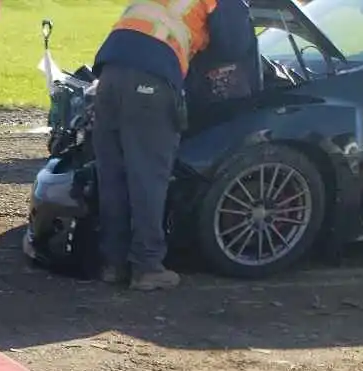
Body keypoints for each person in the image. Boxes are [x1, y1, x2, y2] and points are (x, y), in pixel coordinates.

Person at [92, 0, 257, 290]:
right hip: (151, 78)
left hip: (109, 74)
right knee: (148, 177)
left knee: (113, 175)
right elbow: (234, 47)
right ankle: (147, 266)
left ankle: (113, 264)